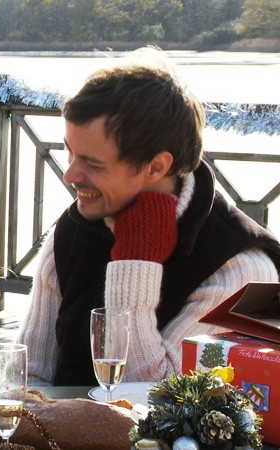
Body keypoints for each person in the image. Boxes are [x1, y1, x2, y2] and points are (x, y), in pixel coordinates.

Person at [17, 48, 280, 386]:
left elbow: (155, 394)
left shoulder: (240, 268)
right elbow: (28, 375)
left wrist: (135, 262)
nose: (70, 175)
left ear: (156, 167)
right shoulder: (71, 229)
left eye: (92, 163)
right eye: (69, 151)